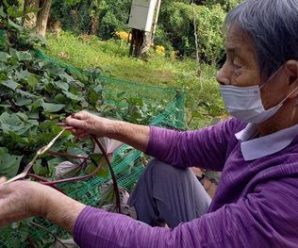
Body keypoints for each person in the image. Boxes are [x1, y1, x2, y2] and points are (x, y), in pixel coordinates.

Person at [1, 0, 298, 247]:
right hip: (229, 229)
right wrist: (105, 125)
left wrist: (46, 202)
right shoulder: (255, 126)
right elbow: (184, 147)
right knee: (164, 169)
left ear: (292, 78)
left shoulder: (288, 194)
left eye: (238, 63)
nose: (221, 75)